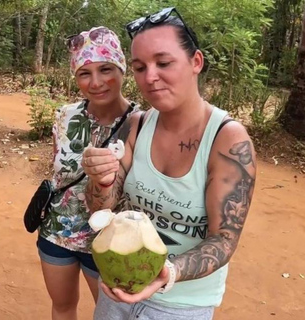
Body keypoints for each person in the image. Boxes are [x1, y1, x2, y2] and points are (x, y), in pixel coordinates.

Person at [81, 7, 256, 320]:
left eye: (163, 63)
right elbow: (100, 210)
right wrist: (102, 180)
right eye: (139, 66)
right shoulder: (134, 125)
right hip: (118, 289)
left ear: (195, 62)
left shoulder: (227, 140)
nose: (150, 77)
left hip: (181, 307)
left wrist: (168, 273)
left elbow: (224, 239)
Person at [36, 26, 140, 320]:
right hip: (58, 232)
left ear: (122, 69)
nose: (96, 82)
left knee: (111, 315)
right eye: (84, 73)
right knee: (62, 306)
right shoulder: (64, 116)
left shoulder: (142, 122)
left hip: (110, 241)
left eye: (106, 69)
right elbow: (58, 171)